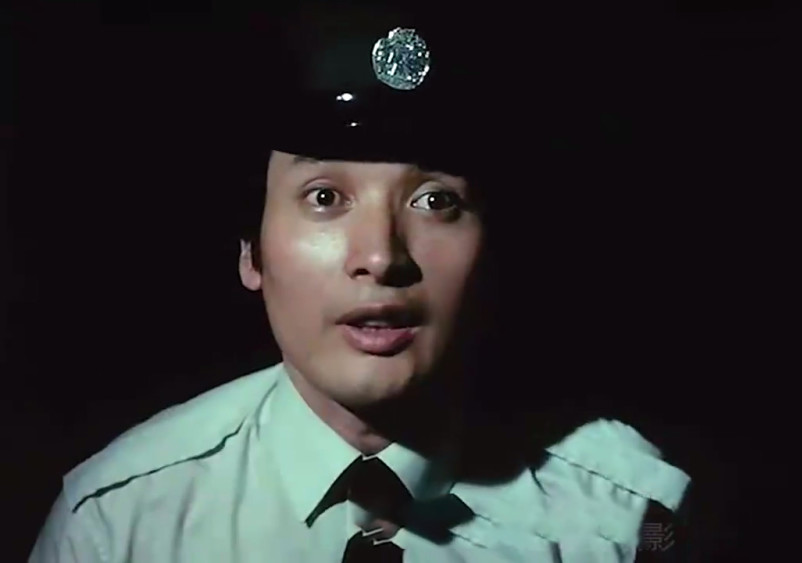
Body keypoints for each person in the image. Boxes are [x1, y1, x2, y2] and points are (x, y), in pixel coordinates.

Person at [30, 3, 691, 561]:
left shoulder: (632, 520)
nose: (380, 256)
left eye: (435, 201)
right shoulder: (118, 523)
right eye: (324, 197)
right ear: (251, 253)